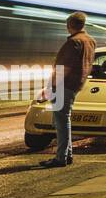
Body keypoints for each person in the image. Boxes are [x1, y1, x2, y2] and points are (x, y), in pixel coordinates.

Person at [41, 12, 96, 168]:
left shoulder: (74, 42)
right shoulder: (90, 41)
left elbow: (63, 68)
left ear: (69, 25)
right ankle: (68, 154)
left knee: (61, 122)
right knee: (65, 119)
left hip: (63, 85)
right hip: (76, 84)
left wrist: (50, 87)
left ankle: (61, 158)